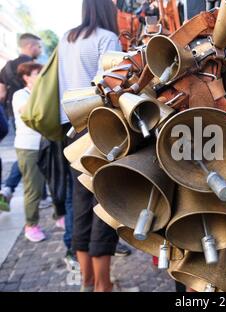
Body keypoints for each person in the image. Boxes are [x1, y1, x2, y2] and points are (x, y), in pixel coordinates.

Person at [58, 0, 130, 292]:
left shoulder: (67, 38)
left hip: (72, 129)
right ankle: (103, 284)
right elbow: (113, 89)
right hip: (101, 130)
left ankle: (87, 281)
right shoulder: (107, 38)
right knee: (105, 203)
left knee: (80, 205)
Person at [0, 33, 53, 212]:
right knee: (33, 152)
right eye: (39, 46)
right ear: (30, 47)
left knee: (26, 152)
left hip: (15, 113)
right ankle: (40, 196)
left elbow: (1, 94)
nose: (40, 49)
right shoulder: (33, 68)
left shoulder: (6, 67)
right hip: (30, 108)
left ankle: (9, 188)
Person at [11, 62, 48, 242]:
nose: (41, 75)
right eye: (36, 73)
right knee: (33, 189)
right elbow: (27, 112)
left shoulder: (42, 92)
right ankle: (31, 225)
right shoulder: (20, 95)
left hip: (46, 145)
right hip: (29, 146)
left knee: (52, 184)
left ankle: (60, 216)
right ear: (26, 77)